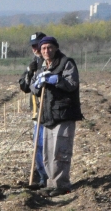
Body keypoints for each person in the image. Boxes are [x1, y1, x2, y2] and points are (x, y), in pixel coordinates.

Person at [30, 36, 83, 197]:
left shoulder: (66, 63)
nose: (47, 51)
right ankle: (51, 183)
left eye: (50, 47)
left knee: (60, 152)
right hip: (47, 116)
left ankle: (62, 184)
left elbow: (72, 83)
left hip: (63, 114)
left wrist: (57, 79)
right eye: (44, 48)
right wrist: (37, 84)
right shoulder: (42, 67)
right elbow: (33, 87)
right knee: (47, 153)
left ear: (56, 48)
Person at [18, 32, 49, 188]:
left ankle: (50, 177)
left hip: (49, 112)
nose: (34, 49)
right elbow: (23, 86)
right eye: (33, 46)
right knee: (38, 145)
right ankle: (43, 176)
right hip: (37, 112)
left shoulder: (50, 63)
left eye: (37, 45)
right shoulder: (34, 63)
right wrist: (29, 72)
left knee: (48, 145)